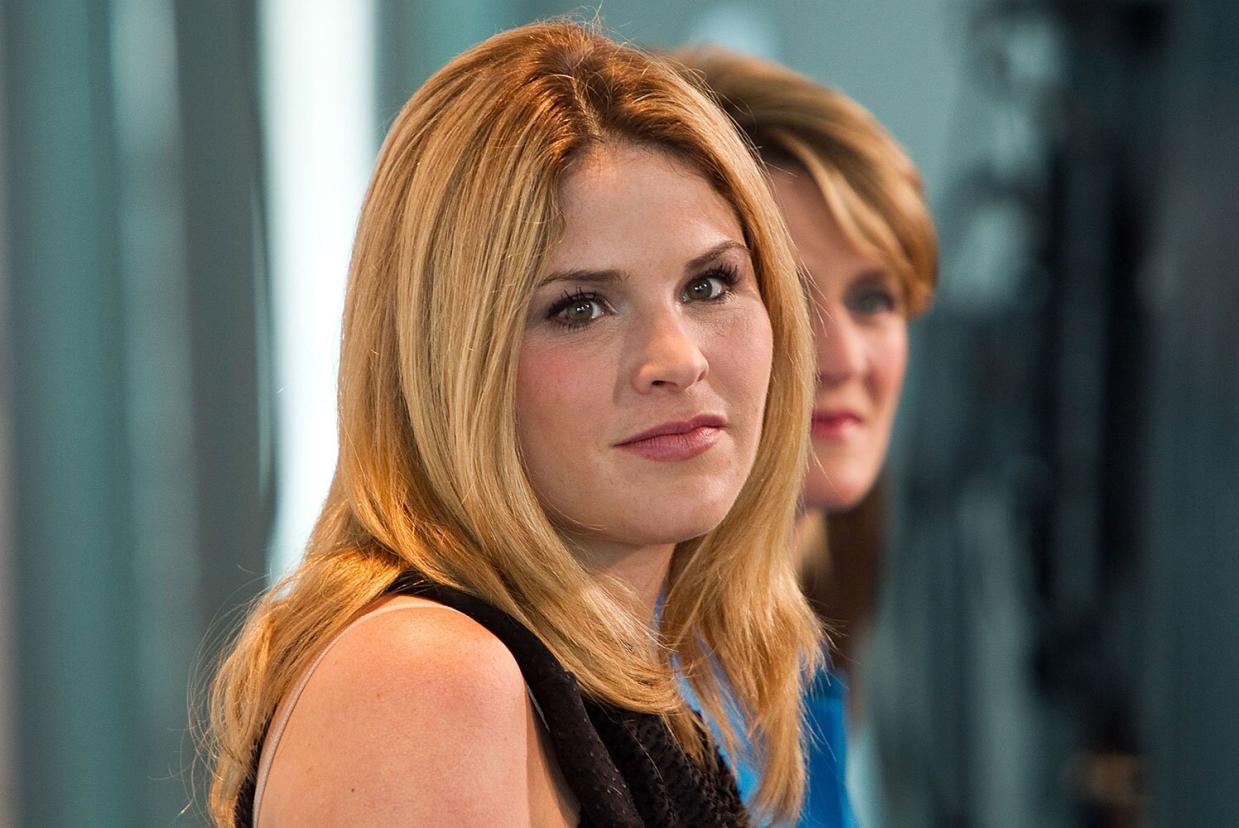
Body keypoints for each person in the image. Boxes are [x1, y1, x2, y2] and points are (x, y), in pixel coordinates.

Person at [202, 21, 827, 828]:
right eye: (580, 307)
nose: (676, 358)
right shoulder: (425, 678)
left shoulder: (624, 688)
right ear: (448, 363)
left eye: (709, 284)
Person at [671, 47, 939, 827]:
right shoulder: (645, 685)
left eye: (875, 299)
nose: (846, 358)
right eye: (793, 296)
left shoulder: (802, 652)